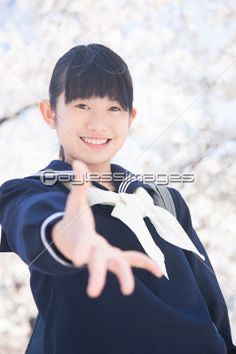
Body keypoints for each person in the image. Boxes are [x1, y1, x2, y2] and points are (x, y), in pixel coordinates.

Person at [0, 43, 235, 354]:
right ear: (50, 112)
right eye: (82, 105)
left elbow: (210, 300)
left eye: (114, 108)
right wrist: (69, 239)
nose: (98, 124)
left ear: (131, 117)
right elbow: (32, 222)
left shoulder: (164, 201)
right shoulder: (33, 192)